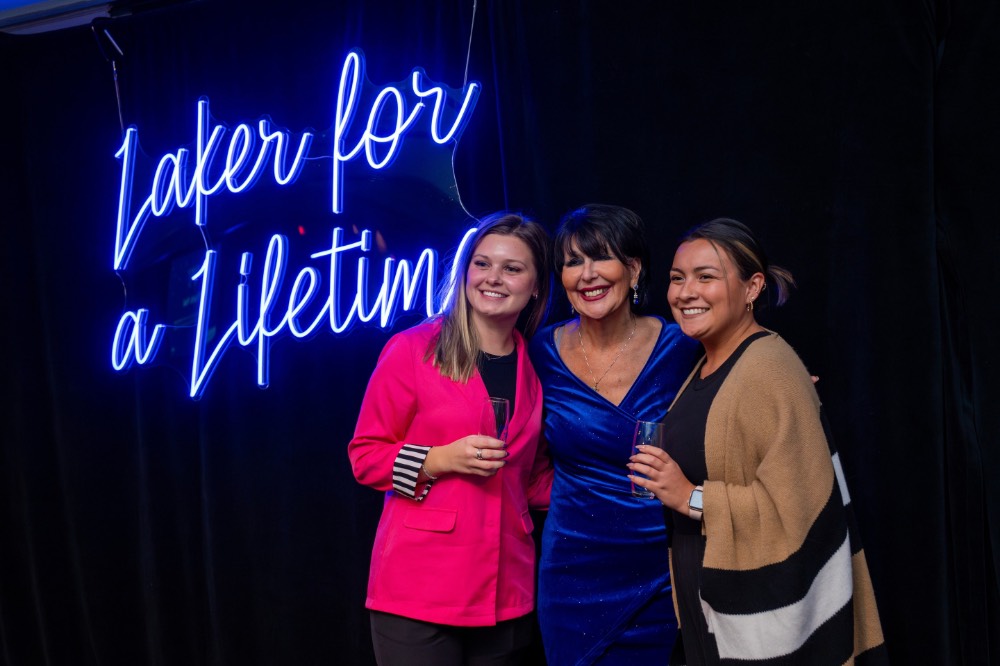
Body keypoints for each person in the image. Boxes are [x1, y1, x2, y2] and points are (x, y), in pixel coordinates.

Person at [629, 218, 887, 665]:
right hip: (712, 604)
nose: (685, 292)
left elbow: (801, 511)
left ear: (752, 288)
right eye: (677, 278)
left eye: (706, 277)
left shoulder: (769, 366)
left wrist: (688, 496)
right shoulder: (706, 364)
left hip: (759, 617)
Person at [348, 212, 555, 666]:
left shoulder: (539, 367)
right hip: (419, 588)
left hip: (507, 588)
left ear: (536, 285)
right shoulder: (413, 349)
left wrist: (609, 490)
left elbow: (534, 480)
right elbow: (365, 457)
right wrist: (437, 460)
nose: (492, 278)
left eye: (512, 268)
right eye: (481, 264)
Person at [528, 204, 701, 664]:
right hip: (571, 569)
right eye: (572, 262)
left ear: (633, 268)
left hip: (657, 565)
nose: (586, 274)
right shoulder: (540, 351)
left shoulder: (680, 345)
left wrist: (782, 381)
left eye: (599, 257)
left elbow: (735, 381)